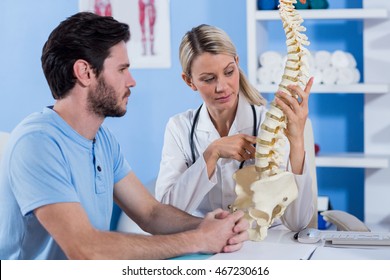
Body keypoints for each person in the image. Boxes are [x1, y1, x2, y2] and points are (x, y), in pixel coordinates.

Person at [0, 12, 249, 260]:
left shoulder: (102, 140)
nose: (132, 81)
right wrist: (197, 239)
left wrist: (207, 225)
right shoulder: (37, 143)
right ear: (85, 72)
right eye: (122, 69)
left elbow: (150, 213)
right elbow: (84, 248)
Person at [155, 24, 315, 232]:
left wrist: (296, 140)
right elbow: (164, 218)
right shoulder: (179, 128)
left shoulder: (271, 125)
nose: (222, 87)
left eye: (229, 72)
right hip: (208, 245)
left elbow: (299, 222)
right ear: (189, 81)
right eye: (208, 79)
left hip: (267, 245)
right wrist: (212, 154)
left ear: (237, 64)